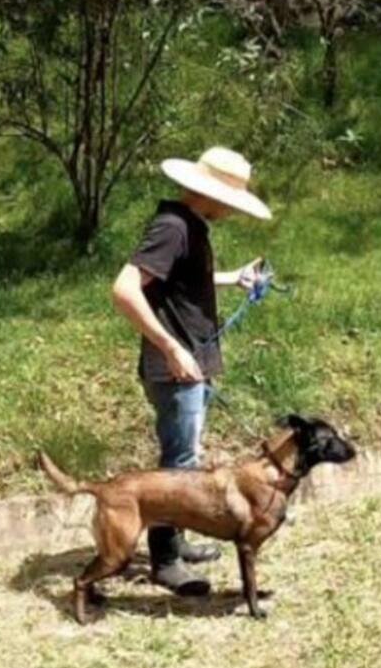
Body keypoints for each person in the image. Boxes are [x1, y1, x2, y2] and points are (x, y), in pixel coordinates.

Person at [110, 146, 272, 596]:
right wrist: (171, 347)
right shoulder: (172, 227)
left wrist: (230, 276)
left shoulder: (188, 227)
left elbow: (178, 279)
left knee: (186, 460)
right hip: (176, 368)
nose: (230, 211)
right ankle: (164, 561)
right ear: (211, 194)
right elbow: (124, 290)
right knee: (178, 468)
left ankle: (175, 544)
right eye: (229, 201)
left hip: (190, 365)